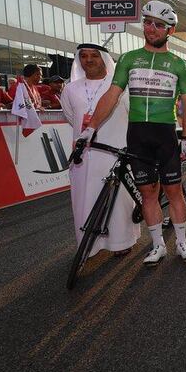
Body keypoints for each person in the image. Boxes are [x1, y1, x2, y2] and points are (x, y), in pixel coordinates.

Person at [81, 0, 186, 266]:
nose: (151, 28)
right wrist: (90, 128)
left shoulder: (180, 64)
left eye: (158, 24)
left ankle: (181, 242)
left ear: (171, 30)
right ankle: (157, 246)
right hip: (138, 134)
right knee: (148, 193)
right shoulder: (130, 59)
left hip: (166, 133)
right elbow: (111, 95)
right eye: (147, 22)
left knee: (174, 190)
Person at [61, 43, 140, 256]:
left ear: (104, 59)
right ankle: (90, 246)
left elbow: (133, 117)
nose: (88, 60)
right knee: (83, 199)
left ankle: (121, 242)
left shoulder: (120, 88)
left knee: (120, 200)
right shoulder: (70, 89)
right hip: (84, 155)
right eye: (84, 56)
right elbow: (70, 117)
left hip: (115, 152)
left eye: (94, 55)